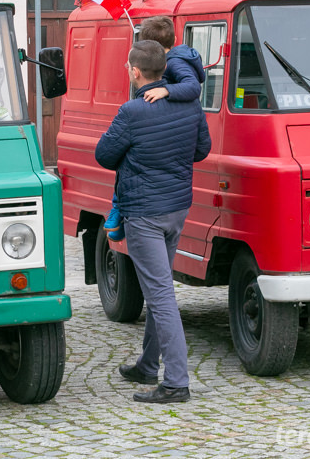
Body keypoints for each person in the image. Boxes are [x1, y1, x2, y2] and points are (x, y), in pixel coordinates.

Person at [95, 40, 211, 404]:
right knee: (158, 288)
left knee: (160, 296)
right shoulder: (189, 105)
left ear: (135, 71)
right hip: (177, 208)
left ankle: (176, 382)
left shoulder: (131, 111)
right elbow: (201, 150)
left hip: (144, 212)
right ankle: (147, 364)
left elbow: (104, 155)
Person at [103, 15, 207, 241]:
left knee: (128, 160)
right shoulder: (177, 59)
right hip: (174, 200)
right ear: (175, 37)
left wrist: (166, 92)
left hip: (148, 206)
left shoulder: (176, 62)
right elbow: (202, 149)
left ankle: (118, 208)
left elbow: (192, 87)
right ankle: (119, 209)